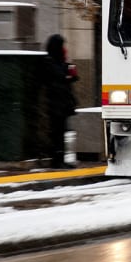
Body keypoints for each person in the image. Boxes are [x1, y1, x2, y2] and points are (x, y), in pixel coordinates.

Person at [42, 34, 79, 168]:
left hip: (62, 104)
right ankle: (56, 160)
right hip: (55, 104)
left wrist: (70, 75)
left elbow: (66, 78)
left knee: (61, 133)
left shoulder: (60, 62)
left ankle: (61, 159)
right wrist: (67, 76)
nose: (64, 49)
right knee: (56, 133)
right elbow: (58, 79)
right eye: (62, 46)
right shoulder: (49, 62)